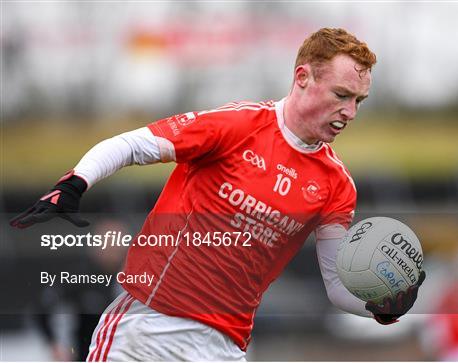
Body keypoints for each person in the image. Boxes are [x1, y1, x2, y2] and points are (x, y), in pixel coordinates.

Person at [11, 28, 425, 361]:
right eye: (341, 95)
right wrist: (75, 182)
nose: (350, 112)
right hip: (146, 330)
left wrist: (380, 306)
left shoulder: (336, 185)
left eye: (358, 101)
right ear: (303, 77)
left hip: (223, 348)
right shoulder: (237, 125)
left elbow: (336, 284)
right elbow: (131, 144)